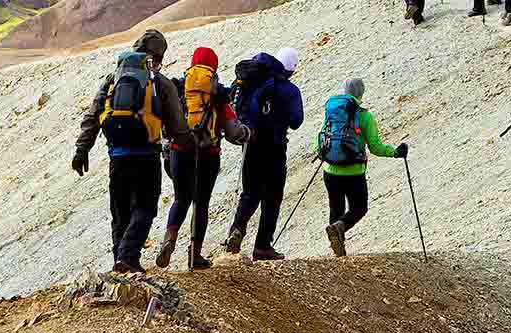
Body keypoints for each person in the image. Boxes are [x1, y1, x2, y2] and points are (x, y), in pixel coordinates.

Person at [73, 29, 184, 274]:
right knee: (145, 207)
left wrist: (82, 150)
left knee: (120, 211)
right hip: (147, 155)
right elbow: (177, 125)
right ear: (159, 55)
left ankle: (120, 262)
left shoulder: (112, 79)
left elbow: (92, 116)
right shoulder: (160, 83)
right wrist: (187, 146)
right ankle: (128, 257)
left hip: (117, 155)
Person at [157, 46, 250, 270]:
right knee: (201, 203)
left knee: (181, 198)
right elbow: (233, 131)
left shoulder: (179, 88)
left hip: (179, 152)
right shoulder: (217, 94)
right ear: (213, 66)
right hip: (208, 155)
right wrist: (246, 133)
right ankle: (194, 255)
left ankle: (169, 239)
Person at [225, 46, 304, 261]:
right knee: (272, 197)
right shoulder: (290, 90)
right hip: (275, 147)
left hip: (251, 144)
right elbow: (297, 121)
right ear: (291, 69)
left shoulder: (255, 82)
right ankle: (262, 246)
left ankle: (236, 230)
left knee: (250, 193)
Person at [317, 77, 407, 257]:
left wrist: (323, 154)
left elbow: (321, 137)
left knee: (336, 209)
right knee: (359, 208)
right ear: (361, 93)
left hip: (330, 170)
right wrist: (396, 152)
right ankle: (340, 228)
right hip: (353, 172)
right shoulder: (364, 116)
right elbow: (376, 147)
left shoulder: (332, 111)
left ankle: (338, 251)